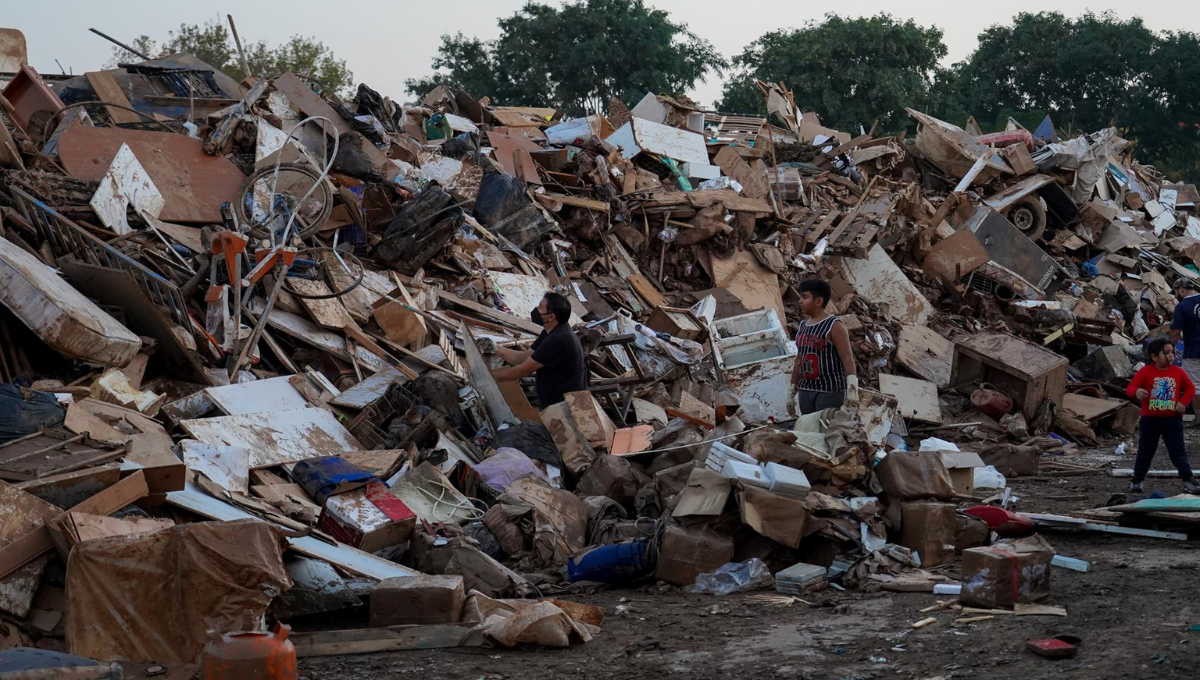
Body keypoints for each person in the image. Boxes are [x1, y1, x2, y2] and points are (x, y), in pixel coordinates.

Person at [1125, 337, 1200, 494]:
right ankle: (1137, 480)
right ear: (1154, 356)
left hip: (1172, 419)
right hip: (1150, 419)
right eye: (1166, 353)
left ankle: (1188, 480)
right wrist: (1137, 392)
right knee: (1146, 450)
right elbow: (1131, 387)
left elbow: (1190, 389)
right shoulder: (1145, 372)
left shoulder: (1178, 372)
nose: (1171, 356)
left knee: (1177, 450)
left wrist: (1182, 403)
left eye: (1172, 352)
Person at [492, 292, 586, 408]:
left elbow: (523, 371)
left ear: (551, 317)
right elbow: (523, 358)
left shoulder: (558, 340)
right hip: (553, 401)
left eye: (540, 307)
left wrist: (489, 377)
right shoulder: (551, 332)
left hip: (564, 407)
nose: (536, 309)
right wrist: (495, 348)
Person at [789, 279, 858, 416]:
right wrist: (792, 389)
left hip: (829, 391)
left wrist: (852, 389)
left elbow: (847, 359)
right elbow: (799, 359)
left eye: (805, 297)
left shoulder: (834, 325)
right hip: (806, 389)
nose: (800, 301)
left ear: (818, 301)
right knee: (808, 430)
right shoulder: (803, 326)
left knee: (825, 431)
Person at [1169, 278, 1200, 420]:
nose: (1176, 296)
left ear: (1181, 289)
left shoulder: (1182, 306)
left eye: (1176, 292)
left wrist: (1169, 350)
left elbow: (1175, 332)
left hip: (1194, 351)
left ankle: (1199, 418)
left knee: (1196, 385)